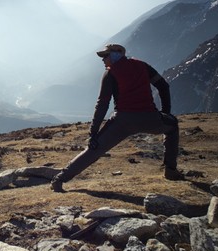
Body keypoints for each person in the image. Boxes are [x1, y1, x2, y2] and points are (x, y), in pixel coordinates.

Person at [51, 43, 184, 192]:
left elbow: (102, 104)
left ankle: (59, 180)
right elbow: (163, 86)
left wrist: (93, 132)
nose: (103, 60)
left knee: (94, 149)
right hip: (150, 118)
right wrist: (165, 113)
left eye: (105, 56)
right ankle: (170, 170)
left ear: (115, 55)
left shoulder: (110, 73)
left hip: (122, 121)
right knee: (172, 127)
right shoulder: (143, 66)